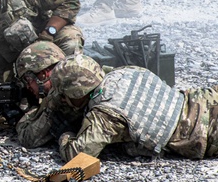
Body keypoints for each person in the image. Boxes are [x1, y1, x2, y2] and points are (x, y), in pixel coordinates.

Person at [56, 63, 218, 161]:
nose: (63, 99)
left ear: (76, 93)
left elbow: (79, 154)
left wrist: (66, 136)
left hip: (202, 131)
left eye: (64, 95)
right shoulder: (123, 72)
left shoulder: (104, 113)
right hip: (202, 98)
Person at [13, 41, 104, 148]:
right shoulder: (81, 72)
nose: (28, 86)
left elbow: (28, 139)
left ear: (43, 74)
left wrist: (65, 135)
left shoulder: (61, 93)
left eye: (27, 80)